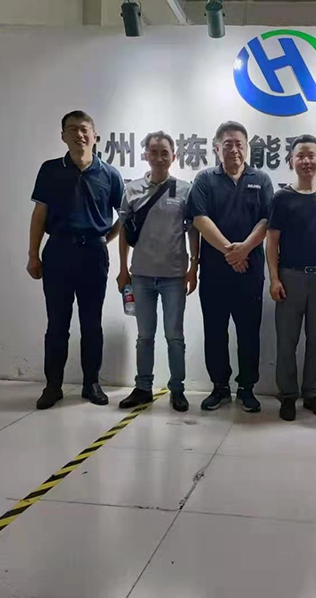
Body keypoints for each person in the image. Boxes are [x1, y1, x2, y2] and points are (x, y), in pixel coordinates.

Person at [27, 110, 123, 410]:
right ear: (63, 136)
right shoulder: (50, 170)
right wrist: (33, 254)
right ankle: (52, 386)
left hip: (93, 255)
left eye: (84, 129)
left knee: (92, 323)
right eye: (72, 130)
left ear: (95, 136)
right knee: (57, 324)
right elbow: (39, 214)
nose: (79, 135)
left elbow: (124, 216)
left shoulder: (110, 175)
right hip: (58, 251)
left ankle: (91, 383)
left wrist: (102, 239)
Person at [187, 121, 273, 413]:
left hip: (250, 271)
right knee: (215, 331)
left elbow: (266, 220)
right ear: (216, 148)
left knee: (249, 333)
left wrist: (244, 249)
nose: (234, 149)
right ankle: (220, 387)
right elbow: (199, 219)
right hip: (214, 272)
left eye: (239, 144)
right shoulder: (204, 180)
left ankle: (247, 388)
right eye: (227, 144)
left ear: (247, 148)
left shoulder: (261, 180)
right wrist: (230, 251)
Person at [116, 131, 199, 412]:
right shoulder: (132, 189)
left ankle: (177, 389)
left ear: (174, 156)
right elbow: (124, 232)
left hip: (174, 276)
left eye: (165, 152)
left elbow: (193, 231)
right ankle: (143, 388)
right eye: (154, 152)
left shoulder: (185, 190)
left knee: (174, 336)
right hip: (141, 275)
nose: (160, 157)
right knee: (145, 336)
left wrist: (193, 267)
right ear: (146, 155)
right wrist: (122, 269)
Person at [266, 134, 316, 422]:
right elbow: (272, 241)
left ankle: (312, 394)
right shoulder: (282, 198)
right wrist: (274, 279)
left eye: (312, 156)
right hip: (290, 277)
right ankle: (287, 395)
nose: (306, 161)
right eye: (300, 156)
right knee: (287, 341)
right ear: (291, 161)